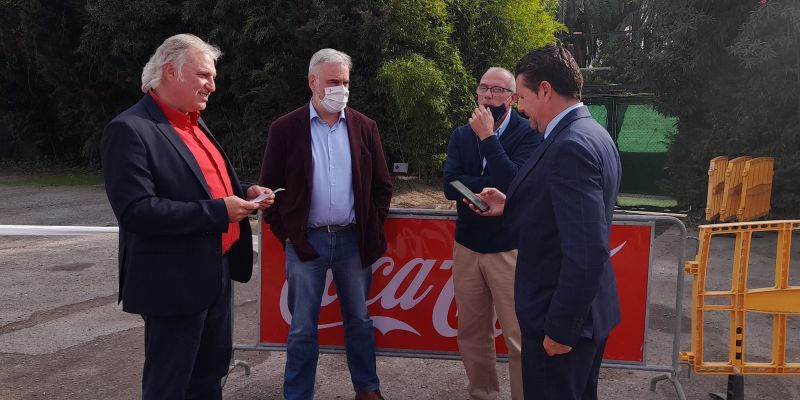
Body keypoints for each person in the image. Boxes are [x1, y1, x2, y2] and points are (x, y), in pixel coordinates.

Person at [101, 34, 275, 399]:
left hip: (217, 272)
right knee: (170, 385)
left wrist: (245, 192)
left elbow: (202, 184)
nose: (212, 85)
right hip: (173, 283)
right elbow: (136, 211)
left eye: (212, 77)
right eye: (203, 75)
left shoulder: (194, 122)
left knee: (210, 377)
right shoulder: (129, 129)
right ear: (170, 71)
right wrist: (219, 211)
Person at [469, 44, 622, 400]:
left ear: (545, 90)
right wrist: (511, 204)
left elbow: (586, 250)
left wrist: (562, 328)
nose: (520, 108)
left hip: (562, 320)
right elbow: (565, 212)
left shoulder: (571, 145)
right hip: (580, 314)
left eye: (522, 97)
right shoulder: (589, 132)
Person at [258, 48, 393, 400]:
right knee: (303, 327)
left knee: (359, 321)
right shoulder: (285, 129)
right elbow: (269, 189)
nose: (341, 89)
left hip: (353, 242)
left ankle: (367, 390)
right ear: (313, 82)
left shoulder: (365, 127)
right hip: (306, 242)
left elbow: (382, 185)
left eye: (345, 82)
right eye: (333, 82)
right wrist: (288, 234)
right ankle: (298, 394)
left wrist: (371, 225)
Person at [442, 67, 541, 400]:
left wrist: (488, 139)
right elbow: (449, 185)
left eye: (497, 90)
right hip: (468, 246)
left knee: (518, 336)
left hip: (509, 248)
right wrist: (487, 184)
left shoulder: (529, 133)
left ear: (512, 98)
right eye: (483, 88)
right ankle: (482, 393)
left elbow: (516, 183)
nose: (488, 96)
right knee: (472, 332)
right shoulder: (461, 134)